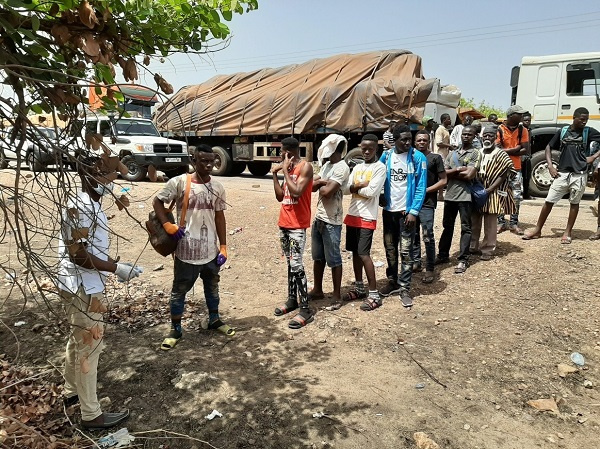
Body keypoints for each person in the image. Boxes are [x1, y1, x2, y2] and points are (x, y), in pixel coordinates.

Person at [57, 155, 141, 429]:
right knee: (90, 348)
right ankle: (91, 414)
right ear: (89, 173)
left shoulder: (91, 205)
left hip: (84, 284)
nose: (112, 178)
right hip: (82, 286)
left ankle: (71, 391)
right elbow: (78, 256)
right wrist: (117, 267)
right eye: (106, 172)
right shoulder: (80, 207)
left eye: (113, 172)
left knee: (77, 342)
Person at [154, 144, 231, 351]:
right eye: (203, 161)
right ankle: (175, 329)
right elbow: (157, 202)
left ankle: (214, 319)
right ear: (193, 161)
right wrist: (167, 225)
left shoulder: (217, 188)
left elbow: (219, 217)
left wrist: (223, 246)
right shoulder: (179, 182)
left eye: (211, 161)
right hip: (186, 251)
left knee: (212, 288)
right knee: (179, 291)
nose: (208, 165)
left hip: (209, 252)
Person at [523, 108, 600, 243]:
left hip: (579, 174)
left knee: (574, 203)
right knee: (549, 201)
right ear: (574, 118)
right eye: (582, 119)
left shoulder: (589, 132)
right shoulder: (563, 131)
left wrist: (593, 157)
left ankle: (567, 232)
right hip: (562, 173)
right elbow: (548, 147)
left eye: (586, 119)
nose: (584, 122)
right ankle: (537, 229)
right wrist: (550, 166)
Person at [378, 124, 427, 307]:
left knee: (406, 251)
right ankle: (392, 281)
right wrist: (381, 194)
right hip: (389, 212)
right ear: (395, 140)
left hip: (406, 214)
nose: (408, 143)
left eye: (409, 139)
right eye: (403, 139)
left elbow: (421, 186)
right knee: (390, 248)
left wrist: (414, 211)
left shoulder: (417, 158)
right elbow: (379, 175)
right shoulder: (387, 156)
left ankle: (405, 286)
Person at [272, 137, 314, 328]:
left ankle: (305, 309)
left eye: (282, 152)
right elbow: (281, 196)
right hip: (285, 223)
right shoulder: (288, 169)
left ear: (289, 152)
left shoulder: (305, 167)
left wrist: (286, 171)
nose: (280, 155)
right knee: (290, 262)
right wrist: (276, 174)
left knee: (297, 264)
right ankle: (292, 300)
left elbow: (296, 191)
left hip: (297, 225)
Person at [342, 134, 387, 310]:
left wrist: (356, 187)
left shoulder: (380, 168)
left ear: (376, 149)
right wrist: (361, 185)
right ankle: (360, 287)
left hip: (367, 216)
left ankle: (374, 294)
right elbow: (345, 189)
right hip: (353, 214)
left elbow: (372, 192)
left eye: (370, 149)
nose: (366, 152)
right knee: (354, 252)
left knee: (363, 254)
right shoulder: (358, 166)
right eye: (364, 148)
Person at [310, 135, 350, 307]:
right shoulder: (326, 165)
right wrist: (324, 182)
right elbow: (311, 186)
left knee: (334, 259)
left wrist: (322, 182)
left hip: (332, 221)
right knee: (318, 258)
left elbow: (327, 192)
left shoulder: (342, 167)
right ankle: (318, 290)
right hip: (319, 217)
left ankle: (336, 295)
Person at [437, 126, 481, 274]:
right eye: (464, 134)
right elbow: (443, 174)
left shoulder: (475, 153)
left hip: (465, 196)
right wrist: (458, 170)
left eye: (469, 134)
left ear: (474, 136)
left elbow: (470, 175)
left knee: (466, 228)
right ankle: (443, 255)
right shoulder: (452, 153)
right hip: (450, 195)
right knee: (447, 227)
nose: (466, 136)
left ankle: (463, 259)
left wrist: (451, 172)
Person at [470, 126, 516, 260]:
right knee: (474, 220)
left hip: (492, 191)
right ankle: (473, 246)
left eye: (490, 136)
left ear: (495, 138)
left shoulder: (501, 153)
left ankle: (488, 249)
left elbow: (504, 173)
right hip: (478, 190)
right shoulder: (478, 152)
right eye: (485, 136)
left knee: (490, 223)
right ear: (482, 137)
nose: (487, 138)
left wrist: (489, 190)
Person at [411, 130, 447, 283]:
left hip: (426, 203)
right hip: (412, 203)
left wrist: (425, 190)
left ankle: (430, 268)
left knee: (427, 235)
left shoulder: (435, 158)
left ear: (429, 142)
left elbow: (443, 180)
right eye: (419, 140)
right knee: (413, 235)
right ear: (414, 142)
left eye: (424, 140)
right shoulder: (410, 157)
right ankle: (416, 262)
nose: (421, 143)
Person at [496, 105, 530, 235]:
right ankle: (501, 222)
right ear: (511, 116)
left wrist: (507, 151)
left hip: (516, 168)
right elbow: (496, 150)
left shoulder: (523, 130)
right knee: (501, 195)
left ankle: (513, 223)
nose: (522, 116)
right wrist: (515, 149)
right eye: (519, 114)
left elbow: (525, 150)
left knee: (516, 196)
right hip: (501, 168)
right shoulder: (499, 129)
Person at [521, 112, 533, 199]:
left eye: (529, 120)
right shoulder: (520, 130)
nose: (527, 122)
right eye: (525, 120)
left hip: (527, 156)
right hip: (520, 156)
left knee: (527, 176)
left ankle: (526, 193)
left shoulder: (529, 130)